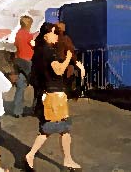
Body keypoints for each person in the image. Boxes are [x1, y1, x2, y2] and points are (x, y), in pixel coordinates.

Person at [25, 22, 81, 171]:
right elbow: (58, 71)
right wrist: (68, 58)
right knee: (50, 129)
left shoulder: (40, 51)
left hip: (48, 93)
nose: (57, 36)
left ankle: (67, 159)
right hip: (54, 94)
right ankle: (31, 155)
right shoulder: (49, 52)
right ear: (46, 35)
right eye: (54, 33)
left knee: (62, 129)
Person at [12, 15, 35, 117]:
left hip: (18, 61)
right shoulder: (28, 35)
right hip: (28, 61)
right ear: (28, 24)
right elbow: (33, 46)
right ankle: (35, 109)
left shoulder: (18, 34)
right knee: (37, 85)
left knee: (20, 87)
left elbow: (16, 45)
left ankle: (17, 111)